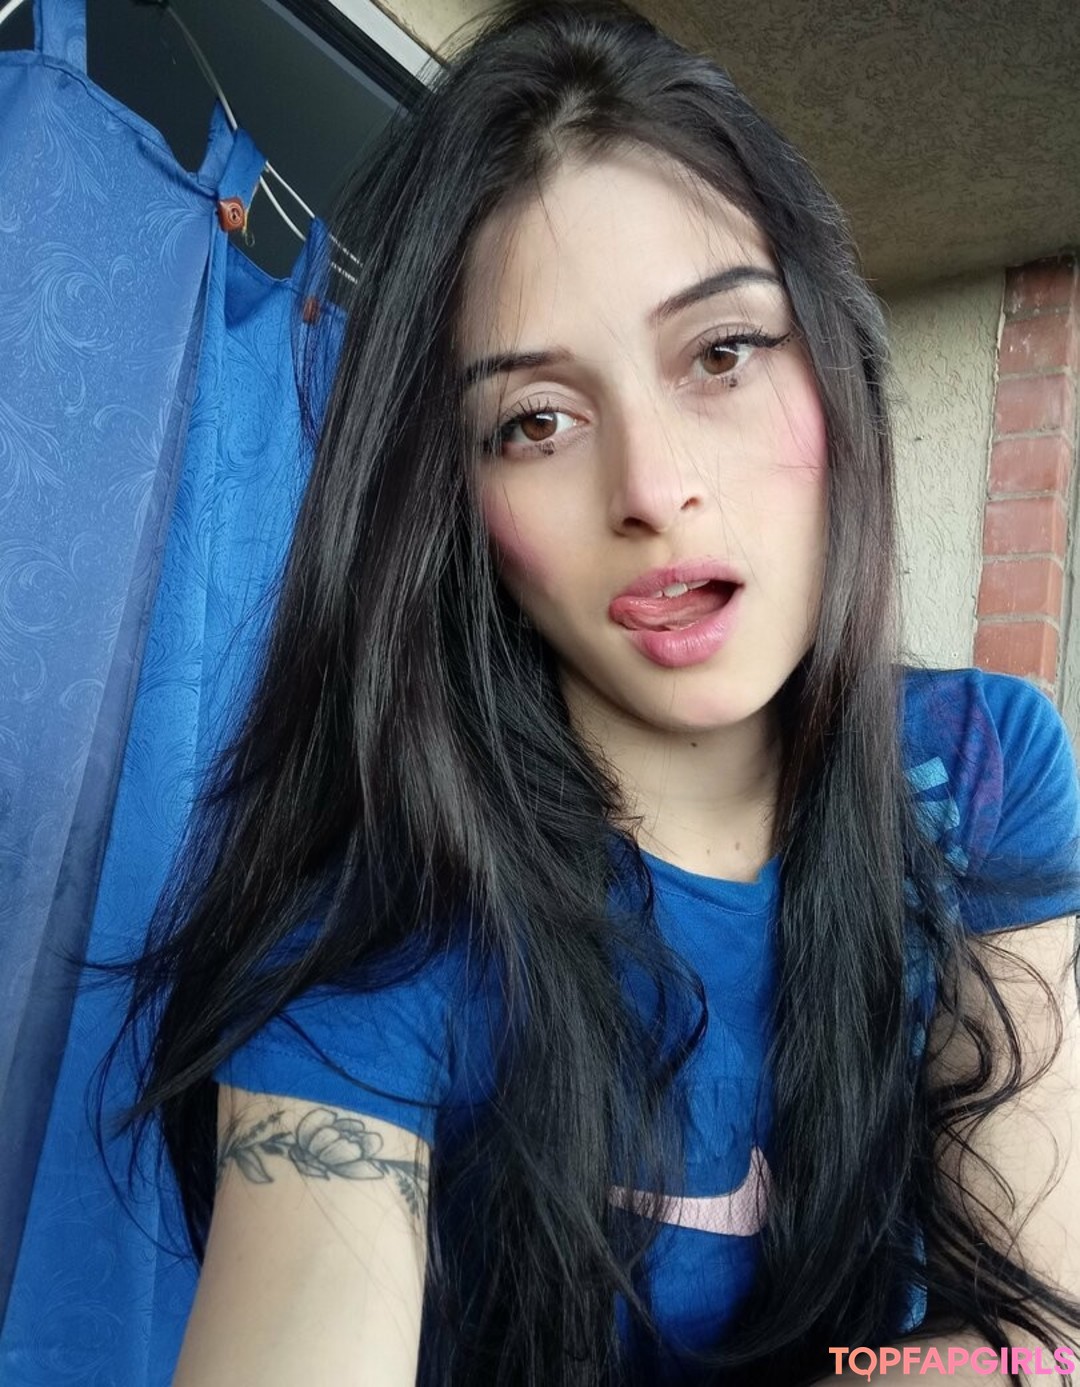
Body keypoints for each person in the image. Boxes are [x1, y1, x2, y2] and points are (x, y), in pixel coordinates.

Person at [99, 1, 1080, 1382]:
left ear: (836, 365)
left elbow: (1035, 1339)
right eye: (536, 422)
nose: (652, 489)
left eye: (722, 354)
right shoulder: (386, 926)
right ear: (459, 507)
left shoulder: (977, 772)